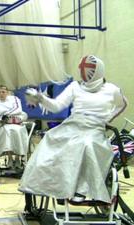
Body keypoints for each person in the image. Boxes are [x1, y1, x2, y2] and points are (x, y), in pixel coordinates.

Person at [20, 55, 127, 204]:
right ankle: (49, 184)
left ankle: (81, 190)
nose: (85, 75)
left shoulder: (112, 89)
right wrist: (41, 98)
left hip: (94, 128)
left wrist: (107, 119)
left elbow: (122, 104)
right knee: (51, 138)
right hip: (73, 124)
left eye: (89, 72)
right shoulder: (75, 86)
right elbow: (57, 106)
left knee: (87, 145)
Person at [0, 85, 28, 169]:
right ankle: (10, 159)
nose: (1, 94)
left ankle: (18, 158)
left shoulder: (14, 99)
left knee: (16, 131)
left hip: (17, 123)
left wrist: (6, 115)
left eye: (3, 92)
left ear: (7, 93)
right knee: (5, 132)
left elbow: (18, 110)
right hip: (5, 125)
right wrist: (1, 121)